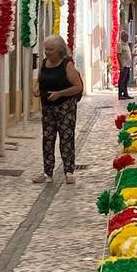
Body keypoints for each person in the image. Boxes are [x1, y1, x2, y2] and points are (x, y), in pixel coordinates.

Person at [33, 35, 84, 184]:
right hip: (48, 108)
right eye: (46, 49)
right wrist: (37, 89)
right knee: (47, 139)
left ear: (59, 51)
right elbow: (40, 81)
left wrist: (60, 94)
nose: (47, 52)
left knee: (66, 139)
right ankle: (47, 172)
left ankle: (69, 171)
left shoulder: (67, 65)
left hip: (65, 108)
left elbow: (77, 87)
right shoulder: (44, 63)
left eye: (50, 50)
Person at [116, 31, 134, 100]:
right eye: (126, 37)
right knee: (122, 81)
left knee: (126, 80)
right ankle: (120, 95)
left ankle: (125, 94)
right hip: (124, 65)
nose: (127, 38)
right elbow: (118, 55)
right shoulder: (120, 44)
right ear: (122, 37)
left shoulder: (126, 44)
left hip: (128, 65)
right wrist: (121, 65)